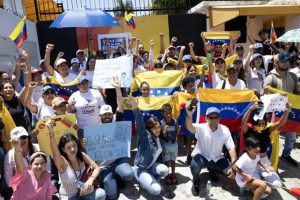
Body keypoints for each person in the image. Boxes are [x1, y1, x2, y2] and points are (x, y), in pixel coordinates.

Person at [45, 121, 106, 200]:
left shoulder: (81, 155)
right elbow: (55, 151)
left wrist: (91, 179)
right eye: (68, 147)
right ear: (63, 149)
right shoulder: (62, 161)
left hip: (84, 192)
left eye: (74, 145)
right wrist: (51, 131)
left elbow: (97, 168)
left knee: (101, 194)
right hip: (69, 196)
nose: (73, 149)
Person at [96, 77, 134, 199]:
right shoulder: (95, 129)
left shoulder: (116, 121)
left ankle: (118, 174)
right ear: (100, 116)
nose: (107, 116)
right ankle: (110, 178)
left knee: (129, 175)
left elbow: (120, 104)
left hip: (118, 159)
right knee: (111, 195)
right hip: (105, 165)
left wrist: (118, 88)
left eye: (109, 114)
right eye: (104, 115)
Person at [185, 106, 236, 196]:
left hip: (217, 158)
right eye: (210, 117)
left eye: (216, 117)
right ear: (206, 118)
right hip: (202, 156)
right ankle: (196, 181)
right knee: (194, 166)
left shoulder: (225, 130)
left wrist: (233, 165)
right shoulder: (201, 127)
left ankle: (211, 169)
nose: (213, 120)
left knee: (230, 173)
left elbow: (231, 148)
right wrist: (189, 115)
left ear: (219, 118)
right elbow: (189, 127)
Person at [241, 101, 292, 188]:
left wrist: (287, 110)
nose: (261, 123)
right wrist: (250, 109)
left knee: (277, 184)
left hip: (263, 160)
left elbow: (281, 123)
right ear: (254, 120)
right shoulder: (248, 130)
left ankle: (261, 181)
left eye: (263, 121)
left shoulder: (267, 130)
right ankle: (256, 184)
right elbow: (243, 122)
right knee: (261, 191)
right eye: (258, 122)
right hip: (251, 161)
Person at [263, 53, 300, 167]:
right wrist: (266, 89)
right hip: (276, 111)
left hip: (291, 109)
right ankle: (271, 158)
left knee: (291, 134)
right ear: (276, 63)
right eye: (283, 61)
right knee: (275, 135)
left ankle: (286, 154)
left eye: (287, 61)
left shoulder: (293, 76)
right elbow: (265, 92)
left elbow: (296, 92)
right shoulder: (271, 76)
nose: (286, 63)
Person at [127, 96, 168, 195]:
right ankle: (142, 181)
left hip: (151, 166)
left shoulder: (159, 137)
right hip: (141, 169)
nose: (158, 129)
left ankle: (150, 179)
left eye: (158, 127)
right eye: (154, 128)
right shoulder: (146, 137)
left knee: (165, 170)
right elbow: (140, 124)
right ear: (150, 129)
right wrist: (135, 108)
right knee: (156, 190)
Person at [4, 127, 51, 200]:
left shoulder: (39, 148)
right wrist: (17, 190)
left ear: (28, 137)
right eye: (17, 139)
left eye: (23, 137)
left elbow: (47, 169)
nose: (21, 140)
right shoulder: (9, 155)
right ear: (12, 142)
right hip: (21, 190)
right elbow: (8, 178)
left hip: (41, 186)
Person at [160, 103, 180, 185]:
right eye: (166, 113)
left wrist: (178, 132)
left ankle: (173, 173)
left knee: (173, 160)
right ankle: (167, 174)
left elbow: (177, 134)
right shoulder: (161, 123)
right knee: (167, 160)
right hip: (166, 145)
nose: (168, 115)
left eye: (170, 113)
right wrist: (164, 130)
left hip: (174, 145)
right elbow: (163, 136)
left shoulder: (175, 121)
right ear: (162, 113)